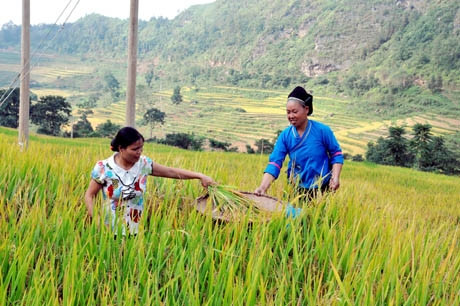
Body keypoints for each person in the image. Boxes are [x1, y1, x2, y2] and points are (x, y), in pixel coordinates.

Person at [85, 126, 215, 235]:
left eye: (141, 148)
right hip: (107, 230)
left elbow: (171, 171)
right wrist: (98, 221)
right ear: (121, 148)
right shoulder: (104, 167)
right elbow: (89, 195)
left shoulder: (144, 164)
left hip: (136, 230)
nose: (139, 152)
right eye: (135, 149)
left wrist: (199, 175)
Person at [255, 86, 344, 202]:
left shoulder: (322, 131)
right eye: (288, 112)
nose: (291, 116)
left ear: (306, 110)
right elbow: (275, 163)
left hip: (322, 190)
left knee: (319, 219)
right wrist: (263, 187)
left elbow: (336, 154)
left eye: (294, 112)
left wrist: (335, 177)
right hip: (296, 190)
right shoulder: (285, 136)